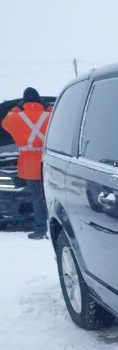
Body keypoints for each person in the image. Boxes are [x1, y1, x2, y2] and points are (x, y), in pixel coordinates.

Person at [1, 87, 52, 239]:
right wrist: (47, 106)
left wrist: (17, 107)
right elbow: (59, 115)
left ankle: (41, 229)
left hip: (30, 166)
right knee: (51, 195)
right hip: (50, 162)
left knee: (38, 197)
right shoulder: (49, 116)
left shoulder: (15, 118)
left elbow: (5, 122)